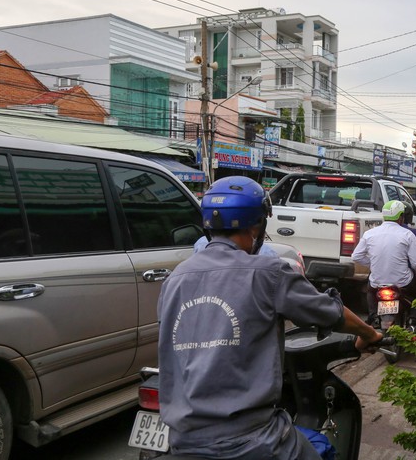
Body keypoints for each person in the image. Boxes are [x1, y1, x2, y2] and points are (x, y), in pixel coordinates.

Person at [157, 176, 382, 460]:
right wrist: (370, 334)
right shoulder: (268, 272)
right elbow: (333, 313)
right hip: (253, 440)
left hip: (182, 440)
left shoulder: (174, 280)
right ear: (257, 226)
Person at [351, 200, 416, 342]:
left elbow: (356, 256)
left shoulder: (370, 233)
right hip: (403, 283)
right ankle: (414, 319)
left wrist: (372, 264)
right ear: (401, 217)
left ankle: (373, 316)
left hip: (377, 282)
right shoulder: (407, 234)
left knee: (370, 289)